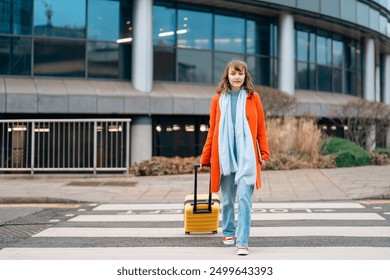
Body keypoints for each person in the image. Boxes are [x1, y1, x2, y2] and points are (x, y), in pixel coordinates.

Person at [199, 59, 270, 256]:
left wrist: (264, 152)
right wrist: (205, 157)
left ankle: (242, 241)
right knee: (228, 199)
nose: (237, 77)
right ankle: (228, 231)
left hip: (247, 158)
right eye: (233, 73)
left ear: (245, 76)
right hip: (225, 157)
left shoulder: (253, 98)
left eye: (240, 73)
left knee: (245, 199)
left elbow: (260, 128)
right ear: (227, 76)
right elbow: (213, 130)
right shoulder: (218, 99)